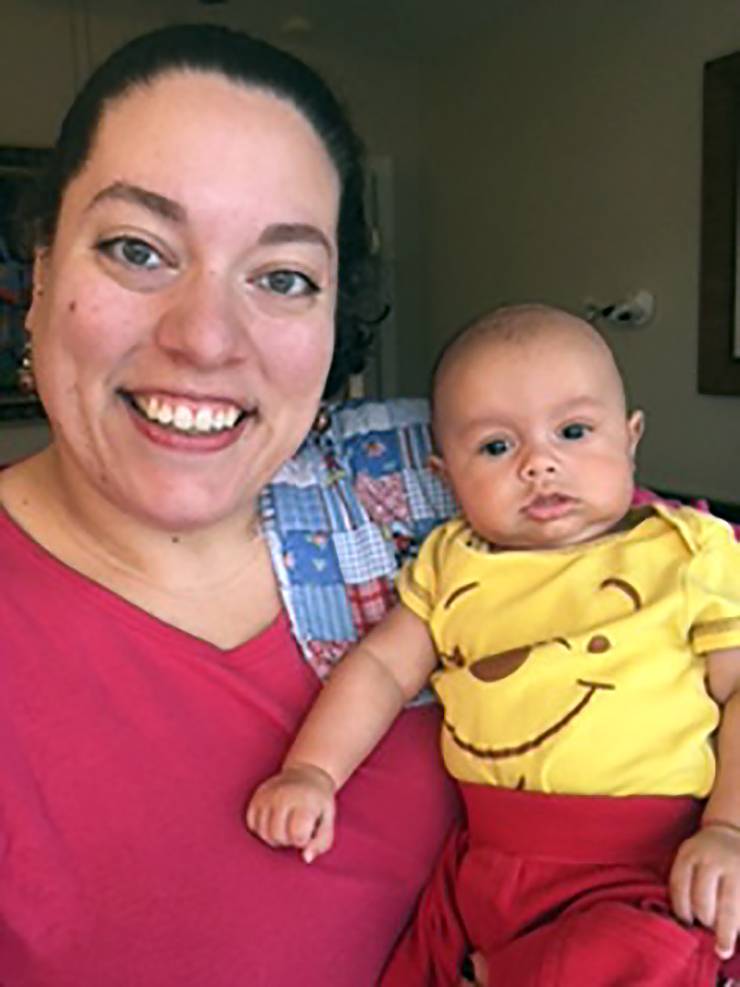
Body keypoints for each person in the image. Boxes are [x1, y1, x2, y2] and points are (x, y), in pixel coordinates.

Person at [0, 23, 462, 987]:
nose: (207, 338)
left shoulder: (427, 504)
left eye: (284, 277)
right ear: (39, 275)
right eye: (138, 248)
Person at [247, 304, 740, 986]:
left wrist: (729, 829)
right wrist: (313, 770)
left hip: (645, 863)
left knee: (637, 958)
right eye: (497, 447)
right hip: (486, 860)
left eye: (572, 431)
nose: (540, 463)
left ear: (630, 441)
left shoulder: (685, 552)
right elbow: (383, 668)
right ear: (446, 476)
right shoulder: (451, 562)